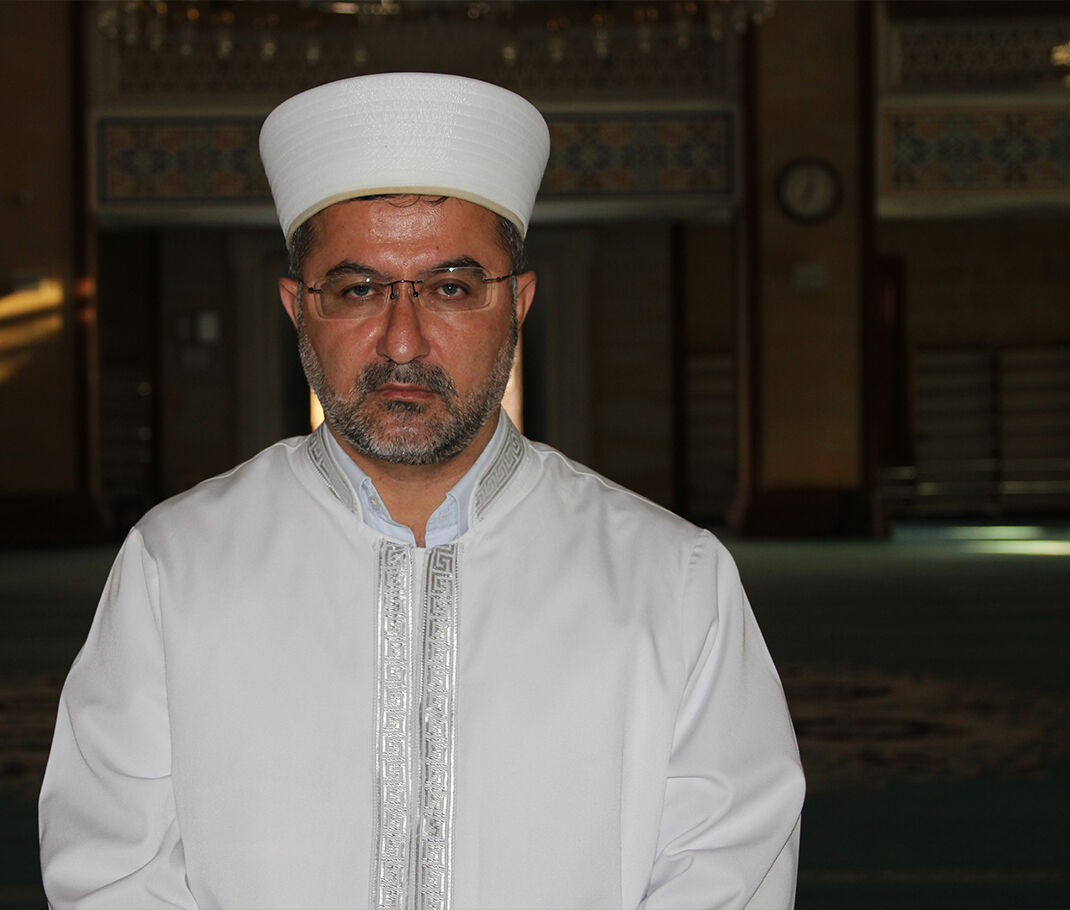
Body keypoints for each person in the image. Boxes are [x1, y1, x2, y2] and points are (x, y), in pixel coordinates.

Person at [39, 72, 804, 909]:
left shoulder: (671, 579)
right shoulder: (178, 564)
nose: (402, 342)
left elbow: (725, 867)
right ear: (298, 308)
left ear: (517, 303)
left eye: (451, 289)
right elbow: (112, 866)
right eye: (357, 289)